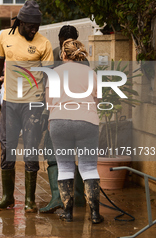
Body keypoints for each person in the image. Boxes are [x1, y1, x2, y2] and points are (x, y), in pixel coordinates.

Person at [0, 0, 54, 213]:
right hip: (10, 102)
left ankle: (30, 200)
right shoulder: (5, 36)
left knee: (31, 148)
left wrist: (46, 107)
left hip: (33, 104)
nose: (34, 30)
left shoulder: (44, 44)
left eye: (37, 27)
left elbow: (50, 77)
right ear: (20, 22)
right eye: (31, 27)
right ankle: (8, 197)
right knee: (7, 147)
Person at [46, 38, 104, 224]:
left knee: (64, 167)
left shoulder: (54, 73)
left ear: (63, 54)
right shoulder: (90, 73)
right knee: (88, 167)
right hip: (87, 122)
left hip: (59, 123)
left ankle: (68, 213)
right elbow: (97, 100)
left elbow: (50, 103)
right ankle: (95, 214)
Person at [40, 25, 87, 214]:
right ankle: (80, 198)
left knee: (52, 156)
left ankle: (57, 198)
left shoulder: (56, 54)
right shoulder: (83, 57)